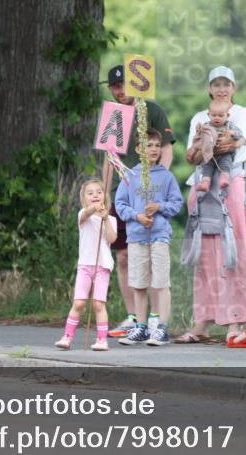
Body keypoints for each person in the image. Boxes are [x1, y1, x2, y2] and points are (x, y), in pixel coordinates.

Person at [176, 66, 246, 346]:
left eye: (227, 83)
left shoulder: (243, 114)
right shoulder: (200, 116)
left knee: (233, 249)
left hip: (231, 181)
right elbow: (191, 155)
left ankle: (236, 321)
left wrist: (207, 143)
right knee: (205, 254)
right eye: (216, 84)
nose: (222, 88)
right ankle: (202, 323)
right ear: (209, 88)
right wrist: (203, 145)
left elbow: (231, 145)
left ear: (234, 87)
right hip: (202, 184)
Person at [102, 65, 176, 338]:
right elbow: (109, 156)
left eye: (125, 86)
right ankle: (134, 316)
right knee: (123, 255)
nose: (121, 92)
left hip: (148, 194)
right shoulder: (115, 114)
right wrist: (104, 191)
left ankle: (155, 318)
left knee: (152, 254)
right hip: (122, 193)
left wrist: (161, 183)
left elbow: (166, 149)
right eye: (116, 87)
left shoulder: (151, 110)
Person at [114, 130, 184, 346]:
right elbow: (120, 204)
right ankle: (141, 327)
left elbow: (176, 202)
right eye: (148, 145)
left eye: (156, 145)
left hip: (159, 235)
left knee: (161, 282)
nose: (153, 149)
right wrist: (137, 216)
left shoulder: (167, 176)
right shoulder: (129, 176)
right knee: (138, 283)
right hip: (136, 236)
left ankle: (162, 328)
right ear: (138, 149)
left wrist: (159, 207)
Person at [55, 179, 118, 351]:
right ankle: (67, 337)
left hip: (102, 266)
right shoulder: (84, 214)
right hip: (85, 265)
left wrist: (105, 219)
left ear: (105, 196)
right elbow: (86, 214)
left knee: (98, 304)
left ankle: (102, 340)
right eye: (90, 193)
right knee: (79, 303)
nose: (95, 195)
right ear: (84, 198)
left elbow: (112, 239)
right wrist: (93, 209)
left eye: (99, 192)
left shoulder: (111, 219)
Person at [195, 99, 245, 194]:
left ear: (227, 115)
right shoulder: (206, 126)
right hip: (210, 155)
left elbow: (240, 134)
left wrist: (232, 133)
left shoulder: (230, 125)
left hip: (225, 154)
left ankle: (224, 179)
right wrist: (198, 131)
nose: (217, 118)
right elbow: (199, 138)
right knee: (206, 167)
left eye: (221, 115)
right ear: (208, 115)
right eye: (214, 115)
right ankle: (205, 182)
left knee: (226, 164)